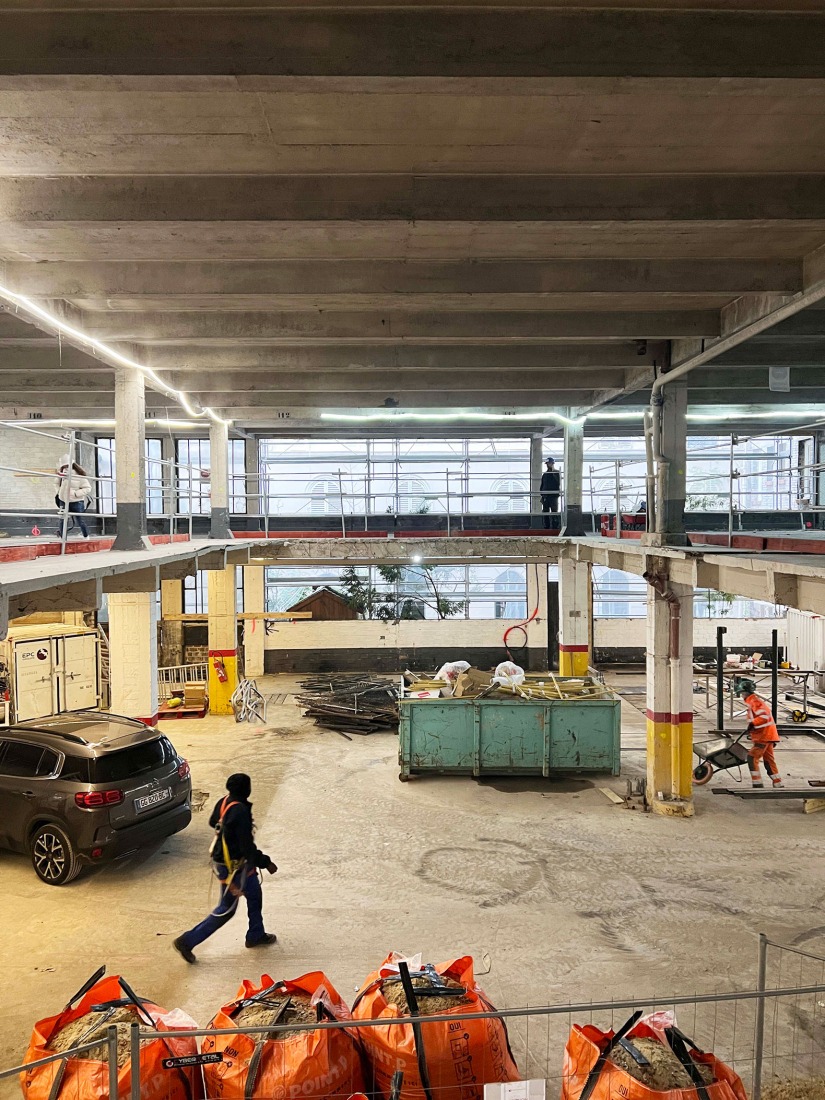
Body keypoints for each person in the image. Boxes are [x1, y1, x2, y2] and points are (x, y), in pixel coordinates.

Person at [173, 773, 278, 963]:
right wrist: (266, 862)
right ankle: (187, 940)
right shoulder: (240, 812)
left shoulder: (224, 802)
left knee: (254, 894)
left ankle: (256, 934)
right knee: (226, 910)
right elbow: (247, 847)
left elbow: (214, 821)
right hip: (235, 868)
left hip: (227, 863)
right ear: (246, 790)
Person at [733, 677, 783, 789]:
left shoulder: (754, 701)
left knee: (752, 758)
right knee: (769, 760)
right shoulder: (753, 701)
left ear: (744, 692)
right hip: (768, 735)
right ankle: (777, 782)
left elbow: (764, 716)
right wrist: (752, 727)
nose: (741, 696)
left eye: (741, 693)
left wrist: (753, 724)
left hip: (764, 736)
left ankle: (757, 784)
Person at [55, 462, 92, 538]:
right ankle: (63, 538)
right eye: (63, 469)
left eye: (66, 469)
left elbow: (88, 488)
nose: (64, 471)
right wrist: (58, 492)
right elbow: (56, 483)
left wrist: (76, 494)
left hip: (76, 501)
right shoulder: (62, 476)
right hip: (63, 500)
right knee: (62, 519)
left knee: (80, 519)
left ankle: (86, 536)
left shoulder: (80, 477)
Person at [540, 457, 561, 530]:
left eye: (549, 463)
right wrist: (542, 495)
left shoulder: (556, 473)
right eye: (547, 463)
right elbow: (542, 485)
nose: (548, 465)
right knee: (545, 512)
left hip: (553, 496)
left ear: (552, 463)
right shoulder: (545, 474)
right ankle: (546, 527)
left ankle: (555, 527)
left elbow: (558, 483)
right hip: (546, 496)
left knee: (554, 511)